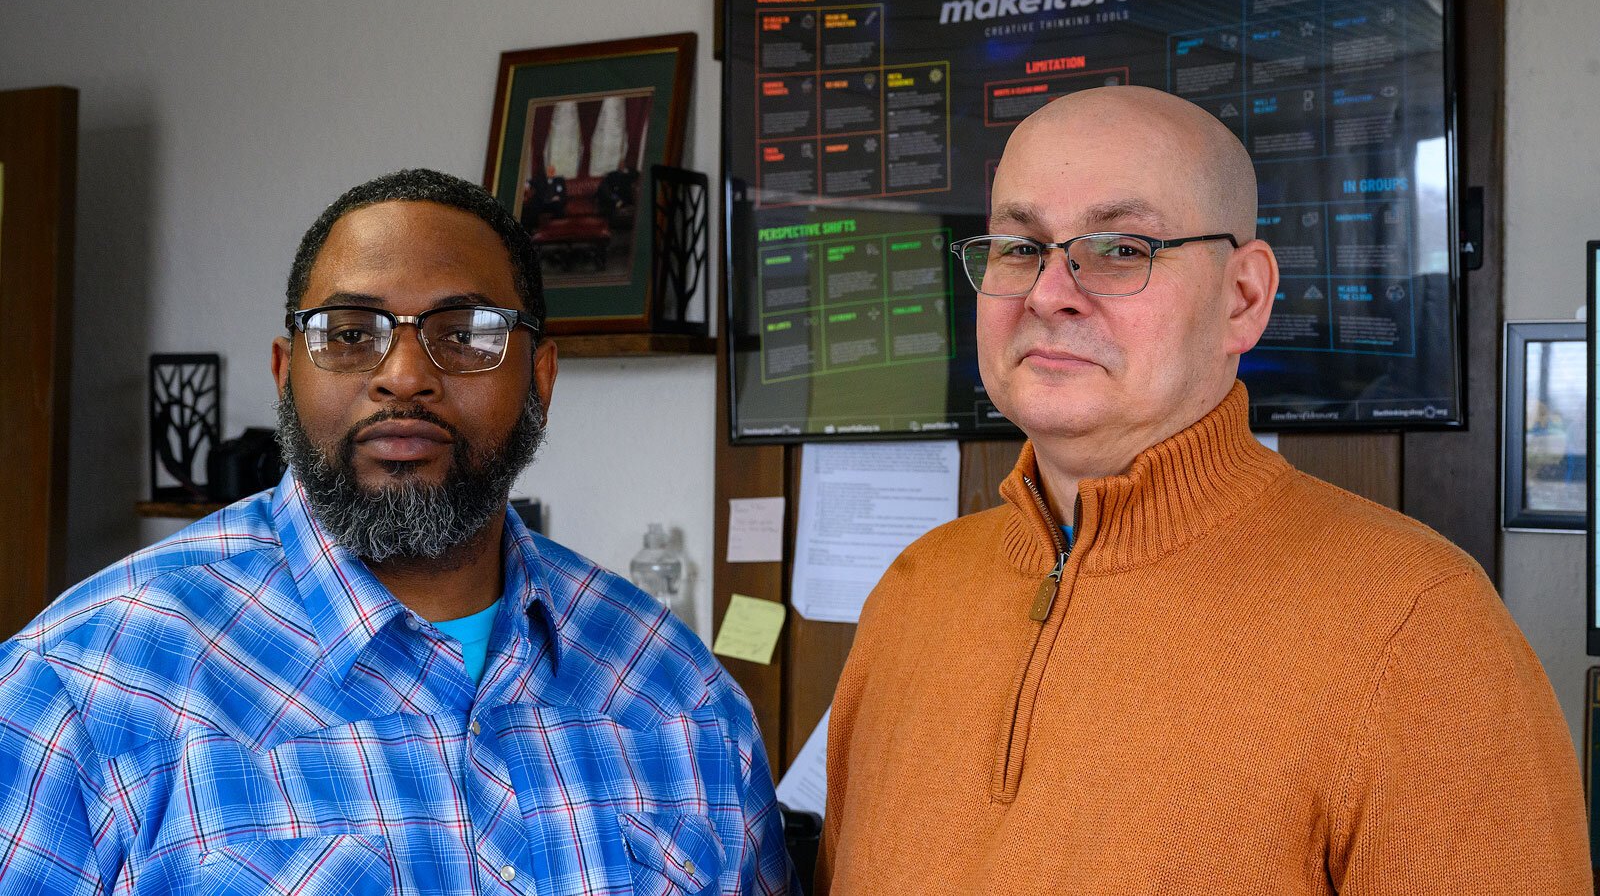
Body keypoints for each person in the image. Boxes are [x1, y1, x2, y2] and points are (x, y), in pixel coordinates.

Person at [818, 88, 1589, 894]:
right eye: (1020, 247)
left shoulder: (1421, 629)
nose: (1049, 292)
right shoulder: (913, 593)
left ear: (1243, 299)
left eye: (1121, 248)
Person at [0, 170, 795, 895]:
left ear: (540, 380)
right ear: (286, 374)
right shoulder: (83, 685)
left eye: (466, 332)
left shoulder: (678, 692)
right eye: (349, 333)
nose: (405, 373)